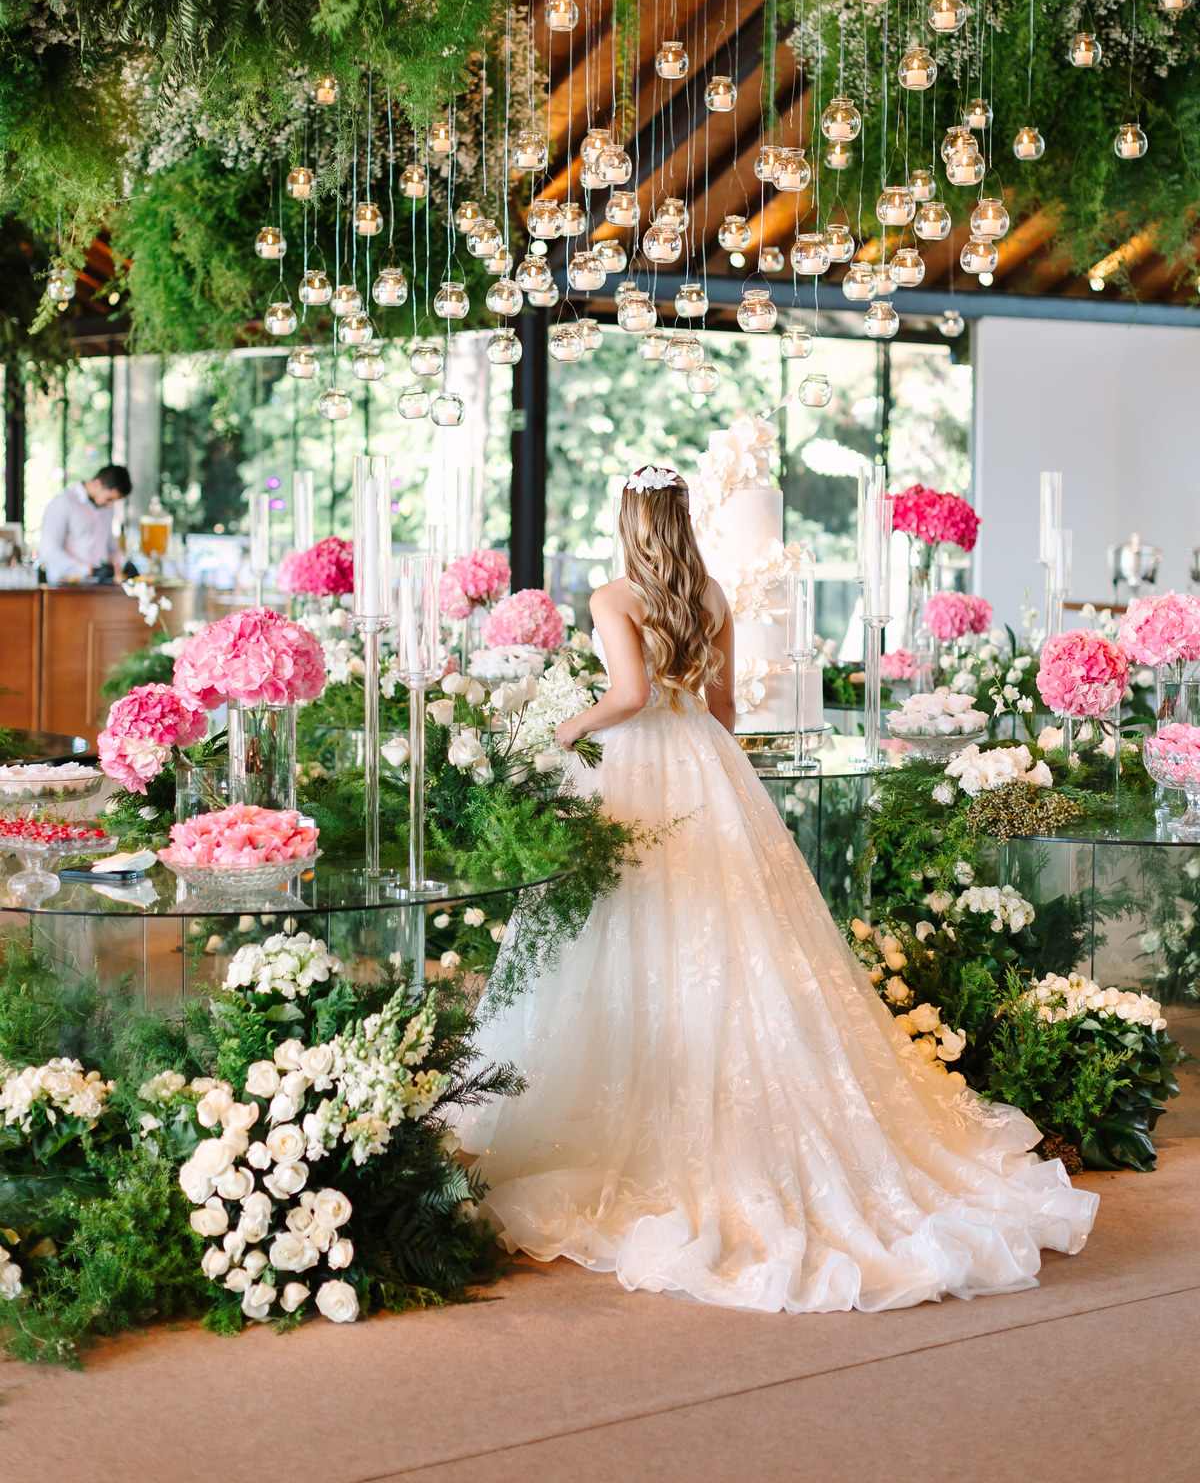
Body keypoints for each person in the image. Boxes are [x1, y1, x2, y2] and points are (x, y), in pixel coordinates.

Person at [453, 464, 1098, 1315]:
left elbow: (629, 696)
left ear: (628, 521)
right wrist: (702, 757)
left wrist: (566, 725)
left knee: (622, 933)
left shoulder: (614, 599)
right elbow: (721, 710)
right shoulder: (712, 596)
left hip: (634, 770)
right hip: (706, 766)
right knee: (730, 936)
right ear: (683, 521)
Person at [39, 464, 133, 584]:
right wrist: (89, 571)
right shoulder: (63, 503)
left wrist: (124, 563)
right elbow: (49, 551)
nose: (111, 505)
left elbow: (109, 548)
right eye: (109, 499)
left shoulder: (107, 509)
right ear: (97, 484)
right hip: (65, 587)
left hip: (99, 587)